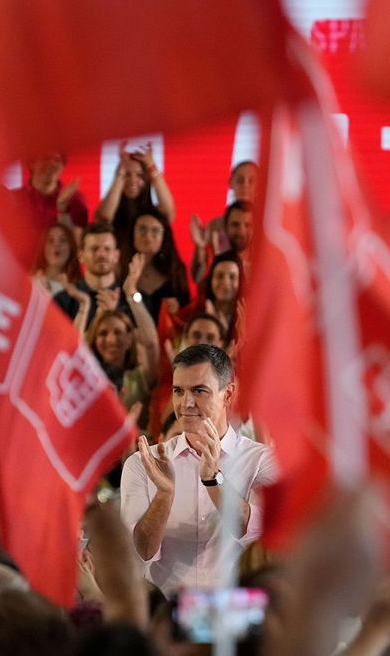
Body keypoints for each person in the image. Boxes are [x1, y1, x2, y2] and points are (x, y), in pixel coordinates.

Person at [120, 345, 276, 597]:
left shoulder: (263, 460)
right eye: (178, 391)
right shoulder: (143, 463)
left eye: (199, 391)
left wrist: (213, 478)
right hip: (165, 615)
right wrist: (164, 495)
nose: (186, 403)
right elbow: (140, 552)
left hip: (234, 616)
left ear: (228, 394)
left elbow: (255, 532)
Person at [86, 255, 160, 412]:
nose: (111, 339)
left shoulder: (141, 376)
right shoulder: (88, 377)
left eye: (118, 332)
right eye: (103, 333)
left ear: (130, 338)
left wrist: (132, 293)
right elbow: (76, 347)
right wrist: (97, 312)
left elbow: (151, 342)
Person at [96, 144, 176, 251]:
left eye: (139, 175)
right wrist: (120, 171)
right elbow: (104, 218)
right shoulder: (111, 210)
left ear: (147, 180)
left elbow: (168, 211)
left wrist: (151, 165)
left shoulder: (152, 213)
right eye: (127, 174)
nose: (133, 180)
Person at [54, 223, 131, 330]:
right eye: (94, 249)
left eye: (107, 249)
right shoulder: (63, 300)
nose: (101, 254)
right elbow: (62, 345)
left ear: (116, 256)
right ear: (81, 256)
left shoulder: (131, 297)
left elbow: (145, 343)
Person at [119, 211, 191, 324]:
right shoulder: (119, 268)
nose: (148, 235)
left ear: (164, 236)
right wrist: (132, 292)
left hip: (166, 338)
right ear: (132, 233)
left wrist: (177, 311)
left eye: (155, 230)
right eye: (142, 229)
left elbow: (187, 311)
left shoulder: (175, 269)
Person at [16, 152, 89, 232]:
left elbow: (78, 241)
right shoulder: (14, 199)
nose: (52, 164)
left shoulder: (76, 200)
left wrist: (64, 209)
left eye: (57, 160)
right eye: (45, 158)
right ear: (31, 164)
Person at [192, 200, 252, 284]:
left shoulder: (265, 265)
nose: (242, 231)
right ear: (226, 227)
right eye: (235, 225)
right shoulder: (216, 264)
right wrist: (200, 246)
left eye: (248, 225)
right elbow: (198, 281)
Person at [32, 223, 82, 296]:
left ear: (71, 248)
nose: (56, 245)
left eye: (62, 240)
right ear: (43, 248)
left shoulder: (79, 290)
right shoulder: (30, 283)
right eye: (50, 240)